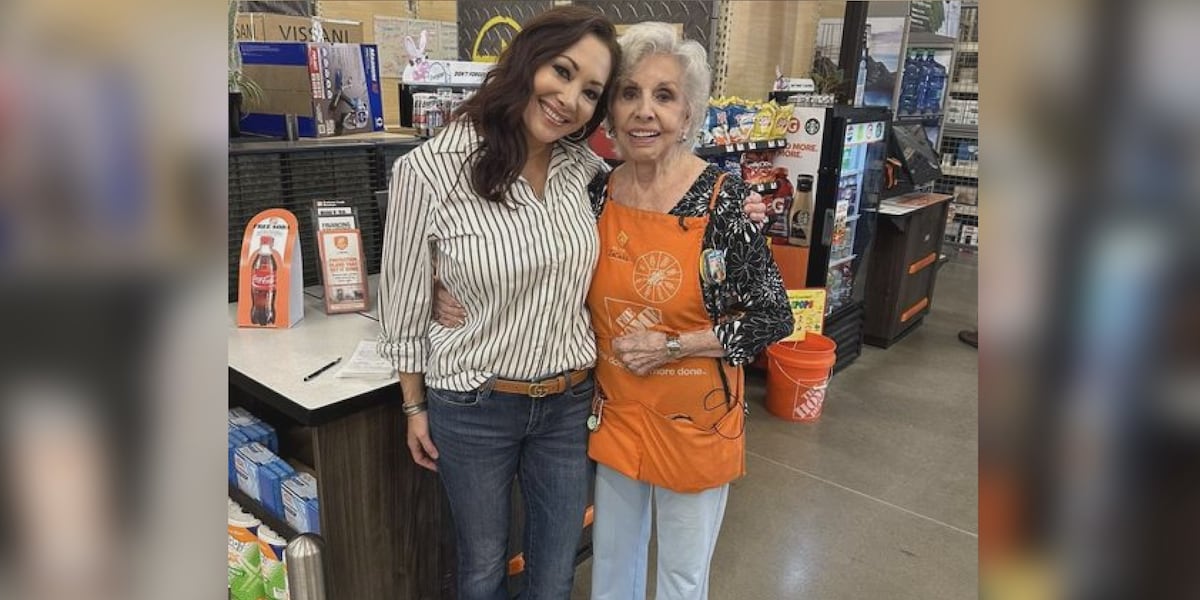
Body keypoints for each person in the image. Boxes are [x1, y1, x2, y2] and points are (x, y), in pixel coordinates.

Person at [378, 7, 622, 599]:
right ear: (526, 60)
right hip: (475, 403)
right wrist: (414, 406)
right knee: (484, 568)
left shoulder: (587, 173)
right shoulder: (431, 169)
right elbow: (403, 300)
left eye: (590, 91)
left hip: (568, 403)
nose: (569, 99)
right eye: (561, 72)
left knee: (556, 568)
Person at [584, 23, 791, 600]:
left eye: (663, 95)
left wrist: (673, 345)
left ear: (687, 114)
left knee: (680, 575)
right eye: (629, 93)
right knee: (612, 564)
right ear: (610, 109)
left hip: (695, 419)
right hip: (620, 412)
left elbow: (772, 316)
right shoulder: (598, 192)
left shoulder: (723, 200)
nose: (643, 111)